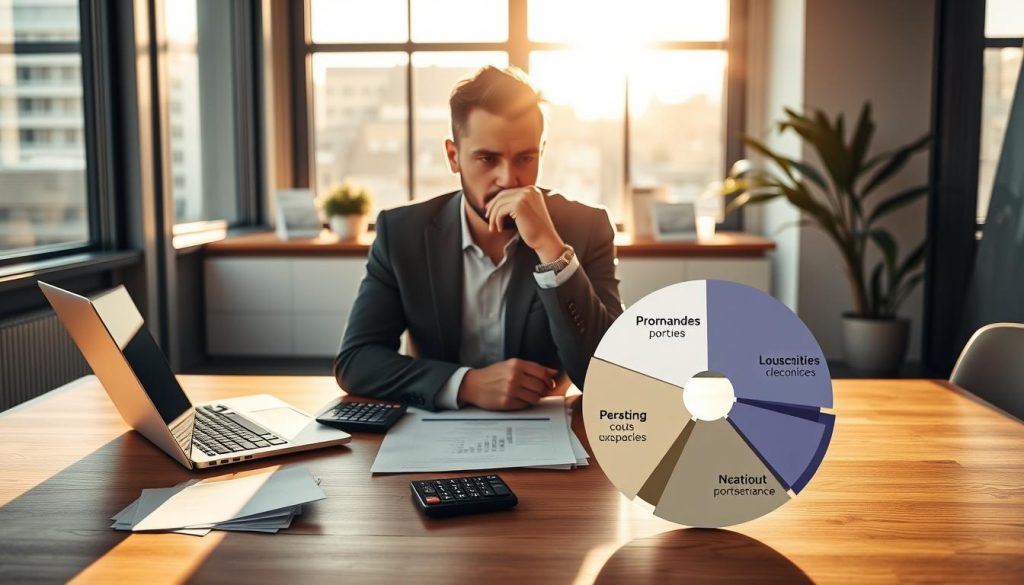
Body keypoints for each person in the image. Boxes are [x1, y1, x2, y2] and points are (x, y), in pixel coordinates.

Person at [334, 65, 622, 411]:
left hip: (547, 435)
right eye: (487, 158)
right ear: (453, 157)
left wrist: (552, 250)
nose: (508, 179)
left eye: (525, 158)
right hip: (433, 438)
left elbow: (610, 376)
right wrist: (465, 384)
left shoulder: (586, 228)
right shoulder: (402, 234)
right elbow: (356, 362)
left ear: (541, 152)